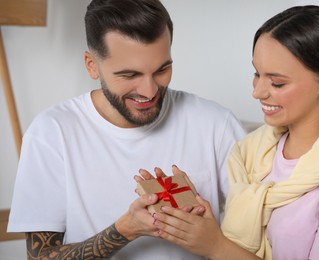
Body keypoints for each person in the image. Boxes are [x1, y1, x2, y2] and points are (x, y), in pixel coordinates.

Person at [6, 0, 246, 259]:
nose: (149, 91)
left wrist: (211, 238)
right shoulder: (51, 133)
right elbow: (39, 257)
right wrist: (125, 230)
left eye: (162, 69)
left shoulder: (215, 124)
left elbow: (264, 237)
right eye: (129, 75)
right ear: (91, 65)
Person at [149, 5, 319, 260]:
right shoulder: (254, 150)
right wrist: (199, 223)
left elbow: (224, 247)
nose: (258, 92)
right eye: (257, 74)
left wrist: (216, 246)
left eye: (277, 83)